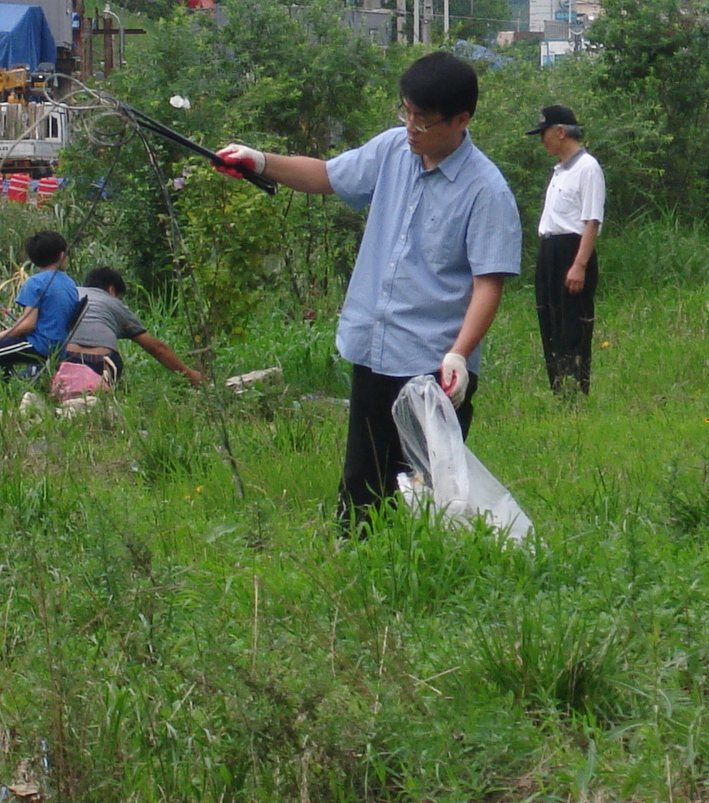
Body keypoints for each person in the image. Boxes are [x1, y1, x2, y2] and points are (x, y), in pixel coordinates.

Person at [212, 50, 521, 529]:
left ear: (460, 120)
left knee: (431, 492)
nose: (411, 127)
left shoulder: (486, 191)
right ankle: (359, 569)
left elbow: (488, 284)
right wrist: (260, 161)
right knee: (362, 483)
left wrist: (460, 353)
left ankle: (434, 580)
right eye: (406, 112)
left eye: (423, 119)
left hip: (432, 366)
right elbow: (327, 175)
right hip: (377, 350)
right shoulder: (393, 150)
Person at [527, 104, 606, 391]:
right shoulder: (560, 171)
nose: (542, 140)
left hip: (572, 251)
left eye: (544, 133)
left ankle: (576, 383)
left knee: (573, 319)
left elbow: (592, 220)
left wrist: (579, 264)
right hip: (551, 249)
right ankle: (558, 383)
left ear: (560, 132)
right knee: (549, 314)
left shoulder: (587, 168)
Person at [51, 266, 205, 390]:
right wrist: (190, 375)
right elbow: (157, 348)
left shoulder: (69, 294)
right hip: (101, 364)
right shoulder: (115, 304)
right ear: (112, 290)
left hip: (63, 360)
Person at [0, 229, 81, 378]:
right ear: (62, 255)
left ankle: (3, 395)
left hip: (41, 345)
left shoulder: (35, 282)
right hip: (58, 344)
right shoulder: (69, 282)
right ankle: (14, 385)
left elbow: (27, 325)